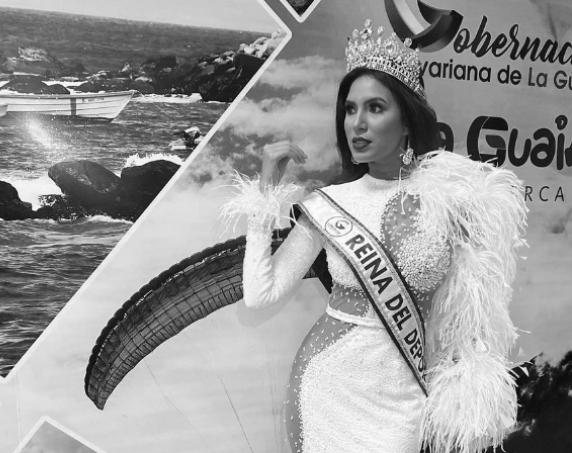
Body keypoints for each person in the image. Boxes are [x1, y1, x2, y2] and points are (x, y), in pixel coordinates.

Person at [223, 20, 527, 453]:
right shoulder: (330, 204)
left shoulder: (452, 200)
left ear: (406, 121)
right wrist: (263, 196)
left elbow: (471, 313)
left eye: (375, 108)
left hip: (404, 401)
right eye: (350, 110)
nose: (357, 124)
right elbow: (259, 296)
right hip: (329, 386)